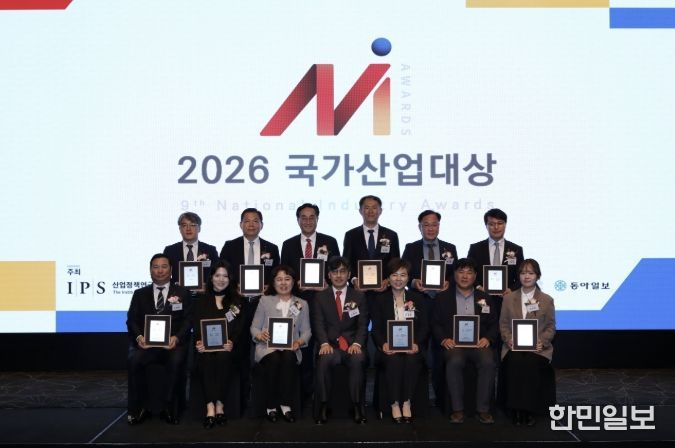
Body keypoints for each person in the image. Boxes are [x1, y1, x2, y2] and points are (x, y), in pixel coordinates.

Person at [219, 208, 280, 410]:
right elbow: (222, 272)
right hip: (238, 304)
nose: (251, 224)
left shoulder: (272, 248)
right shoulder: (230, 246)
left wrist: (268, 287)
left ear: (262, 225)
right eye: (247, 221)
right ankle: (242, 397)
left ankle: (263, 397)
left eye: (255, 221)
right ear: (241, 224)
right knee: (240, 349)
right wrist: (234, 287)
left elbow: (277, 276)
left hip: (262, 304)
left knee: (264, 349)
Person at [280, 203, 340, 400]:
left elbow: (337, 270)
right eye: (303, 217)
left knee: (325, 347)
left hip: (325, 303)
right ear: (298, 220)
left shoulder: (330, 241)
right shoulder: (288, 244)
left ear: (317, 219)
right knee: (302, 349)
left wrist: (326, 284)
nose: (307, 221)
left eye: (311, 217)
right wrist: (296, 284)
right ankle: (304, 393)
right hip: (298, 304)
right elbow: (284, 275)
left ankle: (324, 394)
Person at [126, 254, 192, 425]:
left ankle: (169, 407)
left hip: (172, 344)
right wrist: (139, 337)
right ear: (150, 270)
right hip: (146, 344)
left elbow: (188, 320)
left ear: (171, 270)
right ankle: (140, 408)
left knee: (176, 360)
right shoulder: (140, 294)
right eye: (155, 267)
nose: (160, 270)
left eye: (164, 266)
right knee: (134, 360)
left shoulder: (182, 293)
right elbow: (131, 320)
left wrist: (176, 338)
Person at [432, 258, 498, 425]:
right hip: (454, 344)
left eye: (469, 272)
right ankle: (457, 409)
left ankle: (483, 409)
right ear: (454, 274)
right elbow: (435, 323)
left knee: (488, 362)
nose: (465, 276)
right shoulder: (442, 298)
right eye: (461, 272)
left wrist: (488, 338)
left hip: (478, 344)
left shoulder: (485, 297)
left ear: (475, 276)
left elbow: (494, 324)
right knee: (455, 361)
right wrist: (444, 339)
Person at [401, 209, 457, 404]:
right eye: (426, 225)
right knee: (420, 349)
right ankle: (419, 400)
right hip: (419, 304)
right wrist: (414, 283)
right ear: (420, 227)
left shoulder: (450, 248)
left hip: (443, 305)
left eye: (434, 225)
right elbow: (404, 273)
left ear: (439, 226)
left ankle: (442, 398)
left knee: (442, 352)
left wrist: (449, 282)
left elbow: (456, 274)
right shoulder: (411, 248)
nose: (430, 228)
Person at [250, 265, 311, 423]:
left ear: (293, 282)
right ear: (273, 282)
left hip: (291, 347)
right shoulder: (265, 301)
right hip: (267, 347)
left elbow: (307, 331)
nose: (283, 283)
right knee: (275, 358)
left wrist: (299, 342)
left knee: (288, 357)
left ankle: (285, 405)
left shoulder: (302, 303)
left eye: (287, 279)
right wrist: (260, 335)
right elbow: (254, 327)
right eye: (279, 279)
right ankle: (271, 406)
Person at [311, 256, 368, 425]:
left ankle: (357, 406)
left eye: (342, 271)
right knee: (324, 359)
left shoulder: (359, 296)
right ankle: (323, 405)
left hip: (351, 346)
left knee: (358, 359)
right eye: (334, 272)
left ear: (349, 274)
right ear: (329, 275)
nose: (338, 275)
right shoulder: (320, 297)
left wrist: (357, 344)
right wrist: (324, 343)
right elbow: (318, 323)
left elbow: (363, 324)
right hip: (330, 345)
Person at [499, 259, 556, 426]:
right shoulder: (508, 298)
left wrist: (542, 342)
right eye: (523, 273)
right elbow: (503, 325)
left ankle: (528, 410)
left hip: (538, 348)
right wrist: (509, 339)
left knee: (530, 363)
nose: (526, 276)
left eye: (530, 273)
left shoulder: (546, 299)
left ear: (537, 276)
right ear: (519, 276)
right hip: (513, 347)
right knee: (515, 361)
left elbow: (551, 327)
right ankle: (516, 409)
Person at [371, 258, 428, 424]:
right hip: (389, 348)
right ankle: (394, 403)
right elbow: (376, 329)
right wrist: (383, 344)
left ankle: (407, 402)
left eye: (403, 275)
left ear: (408, 278)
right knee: (394, 360)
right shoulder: (380, 300)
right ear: (388, 278)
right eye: (394, 275)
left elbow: (424, 327)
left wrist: (416, 344)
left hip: (412, 347)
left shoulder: (417, 298)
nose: (398, 279)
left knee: (411, 360)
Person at [193, 260, 244, 429]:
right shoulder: (200, 301)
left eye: (225, 276)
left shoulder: (237, 301)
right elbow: (197, 327)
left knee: (223, 356)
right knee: (207, 357)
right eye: (217, 275)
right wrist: (199, 343)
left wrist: (232, 342)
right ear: (211, 277)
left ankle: (220, 404)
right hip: (205, 348)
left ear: (230, 279)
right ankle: (210, 406)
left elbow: (239, 328)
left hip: (228, 348)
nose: (221, 280)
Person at [467, 208, 524, 315]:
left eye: (500, 223)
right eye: (491, 224)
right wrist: (478, 287)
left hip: (508, 300)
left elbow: (521, 275)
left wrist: (511, 290)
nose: (496, 227)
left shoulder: (516, 249)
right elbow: (469, 272)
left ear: (505, 225)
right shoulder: (475, 248)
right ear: (486, 226)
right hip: (481, 300)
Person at [343, 195, 400, 295]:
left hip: (384, 292)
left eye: (374, 208)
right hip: (358, 292)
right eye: (366, 208)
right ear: (360, 211)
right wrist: (354, 279)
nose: (370, 211)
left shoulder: (391, 235)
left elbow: (395, 263)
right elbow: (346, 262)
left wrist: (388, 281)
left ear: (380, 211)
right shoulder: (351, 235)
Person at [163, 212, 220, 285]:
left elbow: (217, 273)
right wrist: (174, 285)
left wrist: (207, 286)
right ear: (180, 229)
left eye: (192, 225)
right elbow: (164, 275)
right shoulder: (170, 251)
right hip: (177, 291)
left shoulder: (210, 250)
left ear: (199, 228)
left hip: (204, 291)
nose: (188, 229)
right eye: (184, 225)